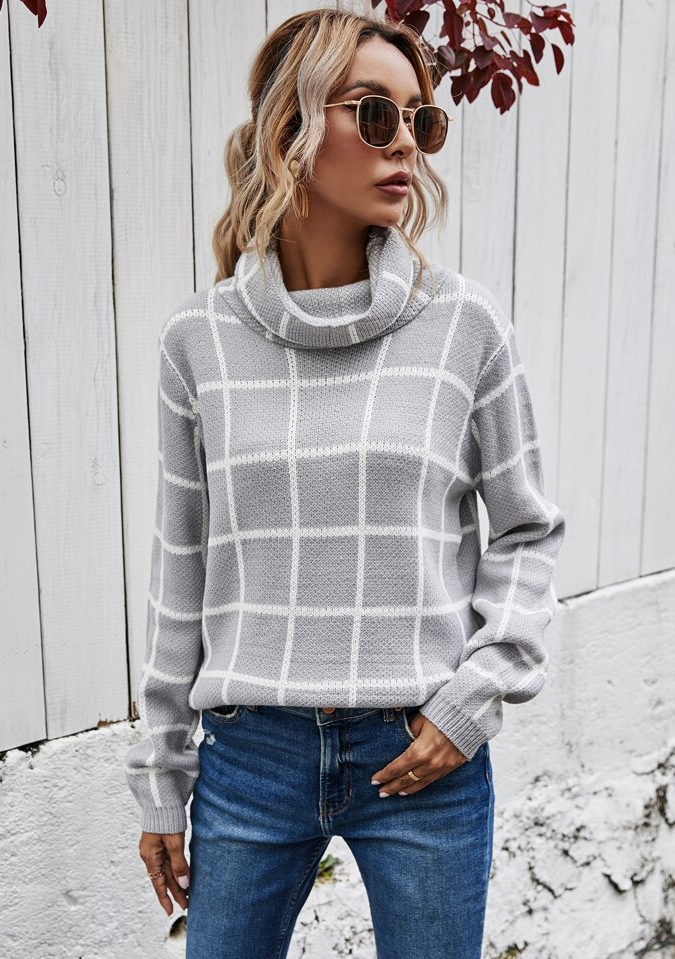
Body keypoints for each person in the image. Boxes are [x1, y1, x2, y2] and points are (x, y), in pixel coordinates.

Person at [124, 7, 566, 958]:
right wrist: (160, 774)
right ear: (290, 126)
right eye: (374, 112)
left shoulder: (465, 327)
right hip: (250, 756)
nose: (406, 141)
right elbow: (180, 568)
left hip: (422, 752)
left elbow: (527, 531)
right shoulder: (199, 343)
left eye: (420, 118)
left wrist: (473, 700)